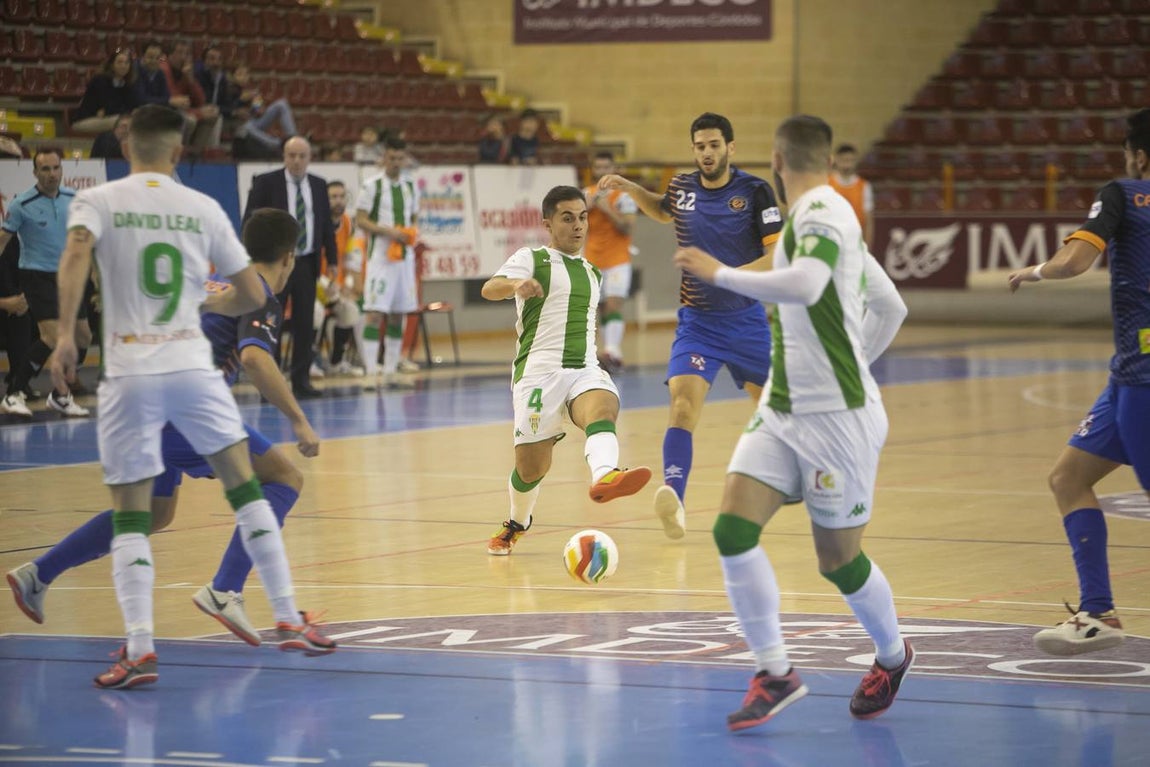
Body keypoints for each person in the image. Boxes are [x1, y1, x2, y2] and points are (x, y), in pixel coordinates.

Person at [48, 105, 333, 689]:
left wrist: (66, 339)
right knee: (262, 489)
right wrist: (213, 299)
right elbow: (246, 300)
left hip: (129, 373)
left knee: (137, 517)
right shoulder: (201, 207)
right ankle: (274, 611)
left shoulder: (97, 201)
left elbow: (76, 256)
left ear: (125, 142)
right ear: (180, 152)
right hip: (190, 377)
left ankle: (141, 647)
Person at [674, 114, 911, 730]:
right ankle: (775, 672)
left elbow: (806, 286)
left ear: (777, 161)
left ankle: (893, 654)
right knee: (731, 528)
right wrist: (857, 352)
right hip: (783, 408)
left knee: (838, 561)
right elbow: (892, 304)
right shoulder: (826, 216)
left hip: (838, 421)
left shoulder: (823, 213)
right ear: (824, 158)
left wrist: (720, 274)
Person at [8, 208, 324, 649]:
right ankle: (225, 590)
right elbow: (255, 358)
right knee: (284, 476)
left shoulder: (214, 280)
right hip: (181, 408)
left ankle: (37, 575)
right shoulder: (258, 293)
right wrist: (299, 420)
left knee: (155, 511)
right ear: (289, 257)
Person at [1007, 108, 1150, 656]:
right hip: (1126, 375)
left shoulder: (1122, 192)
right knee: (1068, 477)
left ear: (1138, 155)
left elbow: (1076, 262)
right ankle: (1098, 612)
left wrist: (1035, 271)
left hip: (1144, 374)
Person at [597, 112, 781, 540]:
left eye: (714, 145)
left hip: (748, 320)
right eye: (699, 146)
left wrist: (723, 274)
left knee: (775, 412)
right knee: (682, 406)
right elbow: (662, 211)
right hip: (698, 323)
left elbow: (776, 258)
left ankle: (793, 479)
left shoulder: (755, 192)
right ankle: (674, 498)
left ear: (730, 148)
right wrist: (631, 189)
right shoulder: (682, 188)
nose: (707, 153)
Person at [481, 185, 652, 555]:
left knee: (603, 406)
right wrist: (517, 284)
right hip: (538, 375)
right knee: (530, 470)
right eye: (567, 218)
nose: (578, 225)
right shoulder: (533, 258)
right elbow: (490, 288)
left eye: (583, 216)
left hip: (584, 368)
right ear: (548, 223)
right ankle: (517, 522)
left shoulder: (593, 272)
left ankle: (605, 473)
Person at [243, 136, 337, 398]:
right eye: (291, 155)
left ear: (309, 158)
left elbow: (326, 226)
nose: (296, 161)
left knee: (305, 323)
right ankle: (268, 385)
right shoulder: (266, 182)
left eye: (301, 156)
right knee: (270, 321)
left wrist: (333, 260)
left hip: (306, 262)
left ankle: (301, 381)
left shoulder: (319, 186)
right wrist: (253, 260)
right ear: (283, 156)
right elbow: (249, 222)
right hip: (274, 263)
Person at [0, 147, 90, 418]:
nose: (52, 174)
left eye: (56, 168)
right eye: (45, 169)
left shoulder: (75, 198)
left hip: (69, 275)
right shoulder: (21, 204)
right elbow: (3, 241)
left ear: (62, 169)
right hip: (37, 276)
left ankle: (61, 395)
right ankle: (13, 393)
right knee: (51, 337)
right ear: (35, 172)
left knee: (83, 336)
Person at [355, 137, 420, 388]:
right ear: (384, 159)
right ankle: (372, 372)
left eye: (400, 158)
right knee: (374, 313)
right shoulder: (372, 186)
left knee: (398, 314)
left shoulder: (411, 187)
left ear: (405, 159)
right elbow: (361, 219)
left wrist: (409, 233)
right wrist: (388, 231)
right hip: (380, 259)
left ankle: (391, 371)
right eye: (391, 158)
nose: (395, 163)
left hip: (404, 260)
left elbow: (412, 218)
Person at [582, 152, 638, 372]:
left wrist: (607, 209)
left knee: (614, 303)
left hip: (617, 259)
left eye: (607, 167)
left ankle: (613, 351)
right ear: (594, 170)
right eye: (598, 167)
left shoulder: (623, 197)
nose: (602, 172)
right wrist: (587, 208)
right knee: (600, 307)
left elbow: (628, 227)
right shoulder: (587, 195)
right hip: (593, 259)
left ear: (613, 169)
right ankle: (607, 353)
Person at [325, 180, 366, 376]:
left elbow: (351, 258)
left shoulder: (348, 223)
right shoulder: (318, 223)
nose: (338, 201)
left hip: (337, 287)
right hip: (316, 285)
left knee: (351, 311)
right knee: (315, 315)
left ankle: (336, 362)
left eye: (341, 196)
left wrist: (349, 285)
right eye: (333, 197)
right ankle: (310, 361)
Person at [162, 40, 220, 148]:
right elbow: (174, 100)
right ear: (169, 55)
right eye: (180, 52)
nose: (183, 57)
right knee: (190, 120)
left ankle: (196, 153)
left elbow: (201, 100)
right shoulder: (164, 69)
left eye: (186, 53)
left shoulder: (185, 71)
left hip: (183, 110)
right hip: (166, 110)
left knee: (213, 113)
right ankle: (182, 154)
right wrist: (198, 113)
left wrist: (190, 79)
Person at [231, 65, 298, 157]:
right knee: (247, 126)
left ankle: (293, 139)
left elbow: (258, 112)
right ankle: (279, 144)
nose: (243, 77)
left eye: (246, 74)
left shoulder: (251, 91)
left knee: (282, 104)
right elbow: (226, 109)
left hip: (253, 122)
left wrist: (257, 104)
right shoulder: (228, 90)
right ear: (233, 76)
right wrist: (240, 100)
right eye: (239, 74)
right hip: (238, 125)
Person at [72, 48, 138, 134]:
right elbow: (109, 107)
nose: (123, 66)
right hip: (86, 120)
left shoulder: (127, 84)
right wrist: (122, 111)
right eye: (120, 62)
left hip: (108, 119)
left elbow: (131, 106)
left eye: (127, 63)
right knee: (123, 122)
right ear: (111, 65)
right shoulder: (100, 81)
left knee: (134, 121)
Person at [828, 143, 875, 248]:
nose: (847, 165)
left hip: (854, 240)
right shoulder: (827, 183)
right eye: (844, 160)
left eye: (850, 161)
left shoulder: (864, 186)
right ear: (836, 160)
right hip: (831, 239)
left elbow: (869, 221)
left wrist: (867, 247)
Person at [134, 41, 171, 109]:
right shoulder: (135, 71)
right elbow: (141, 99)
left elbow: (166, 96)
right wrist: (167, 102)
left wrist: (166, 101)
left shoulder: (160, 73)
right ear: (143, 56)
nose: (154, 61)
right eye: (150, 57)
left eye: (157, 58)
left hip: (155, 110)